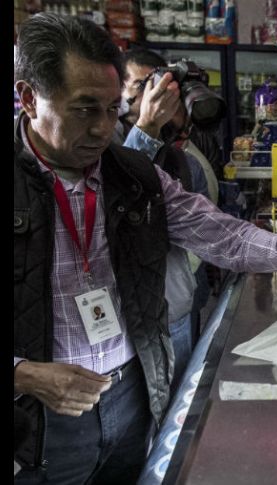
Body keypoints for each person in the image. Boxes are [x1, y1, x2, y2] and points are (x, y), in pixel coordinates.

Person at [13, 13, 277, 484]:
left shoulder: (133, 175)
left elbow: (223, 234)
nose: (102, 129)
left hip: (132, 398)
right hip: (38, 423)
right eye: (83, 109)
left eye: (110, 108)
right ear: (29, 98)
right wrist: (25, 375)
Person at [117, 47, 214, 396]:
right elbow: (116, 201)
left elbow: (210, 231)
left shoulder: (182, 160)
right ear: (122, 90)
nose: (161, 95)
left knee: (177, 410)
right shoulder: (103, 140)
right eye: (148, 83)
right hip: (124, 326)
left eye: (167, 84)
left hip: (176, 308)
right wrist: (146, 126)